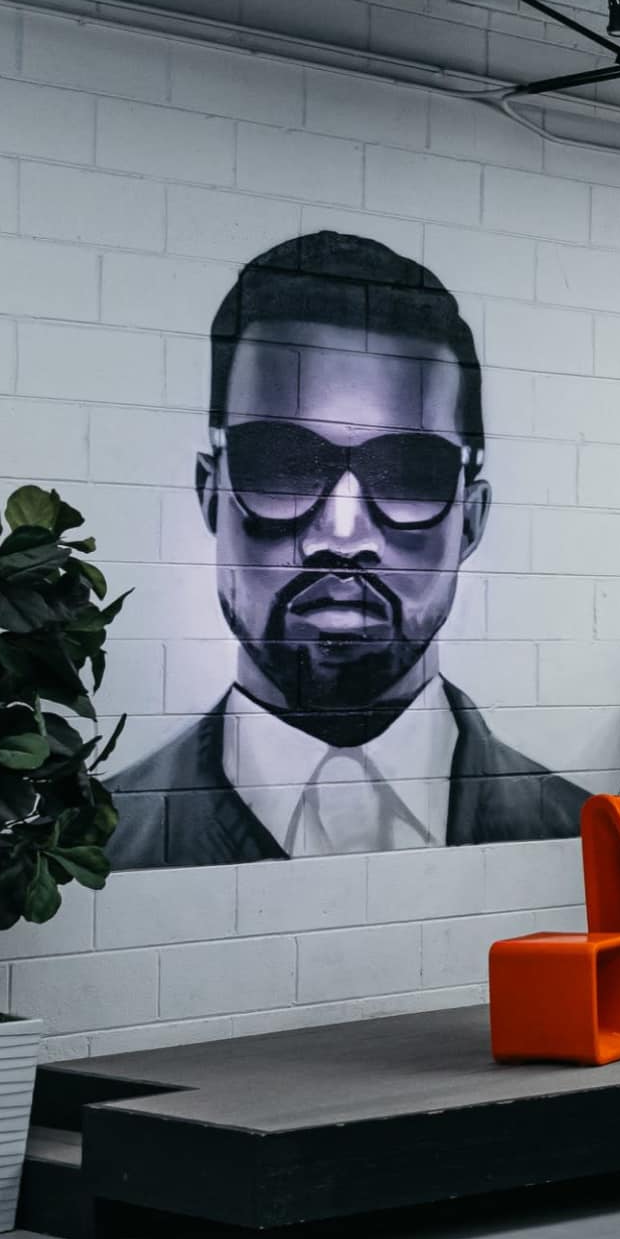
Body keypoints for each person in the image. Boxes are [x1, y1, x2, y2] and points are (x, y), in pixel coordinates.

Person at [109, 231, 591, 868]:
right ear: (210, 495)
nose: (341, 534)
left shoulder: (580, 840)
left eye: (406, 473)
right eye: (280, 465)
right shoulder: (92, 850)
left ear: (469, 520)